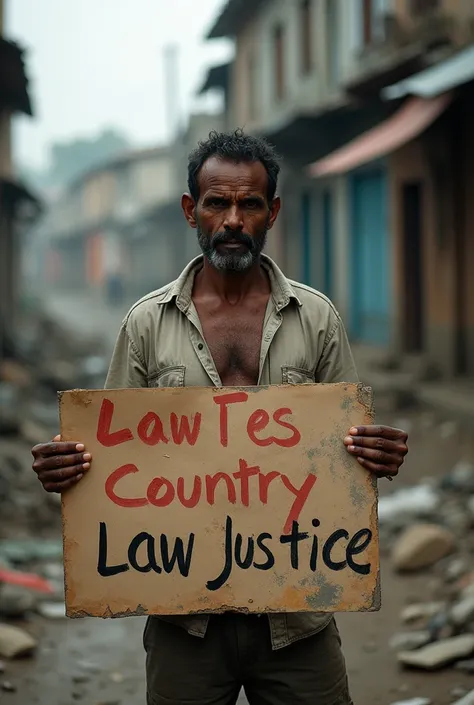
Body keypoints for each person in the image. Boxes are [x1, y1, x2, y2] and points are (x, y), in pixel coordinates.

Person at [32, 130, 408, 705]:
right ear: (191, 210)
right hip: (186, 624)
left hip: (295, 619)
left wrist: (376, 457)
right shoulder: (145, 324)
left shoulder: (317, 319)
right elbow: (110, 462)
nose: (233, 219)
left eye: (249, 204)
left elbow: (344, 457)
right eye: (217, 203)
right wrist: (70, 467)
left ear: (272, 212)